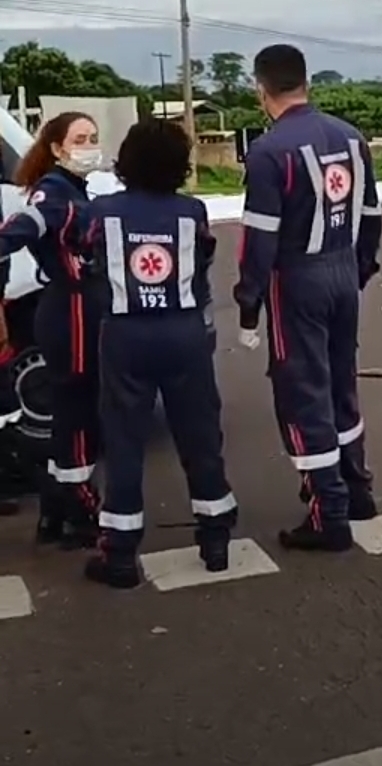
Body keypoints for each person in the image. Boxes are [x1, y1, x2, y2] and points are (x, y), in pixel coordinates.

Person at [234, 43, 382, 552]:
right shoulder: (350, 136)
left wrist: (249, 301)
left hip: (297, 279)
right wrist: (360, 268)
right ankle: (357, 488)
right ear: (306, 82)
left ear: (260, 88)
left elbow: (259, 240)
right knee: (341, 383)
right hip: (344, 271)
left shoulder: (267, 152)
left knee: (303, 392)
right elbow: (371, 214)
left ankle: (328, 512)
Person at [79, 118, 237, 589]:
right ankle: (215, 538)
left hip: (125, 334)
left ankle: (120, 554)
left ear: (126, 162)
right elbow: (203, 260)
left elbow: (84, 257)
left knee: (124, 440)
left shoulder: (102, 211)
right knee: (200, 434)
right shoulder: (192, 211)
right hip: (184, 333)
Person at [0, 112, 103, 547]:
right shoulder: (55, 193)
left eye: (93, 137)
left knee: (69, 412)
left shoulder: (73, 188)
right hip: (71, 308)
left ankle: (55, 510)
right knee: (78, 413)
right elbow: (26, 225)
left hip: (75, 307)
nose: (89, 146)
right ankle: (80, 510)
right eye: (80, 139)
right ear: (57, 148)